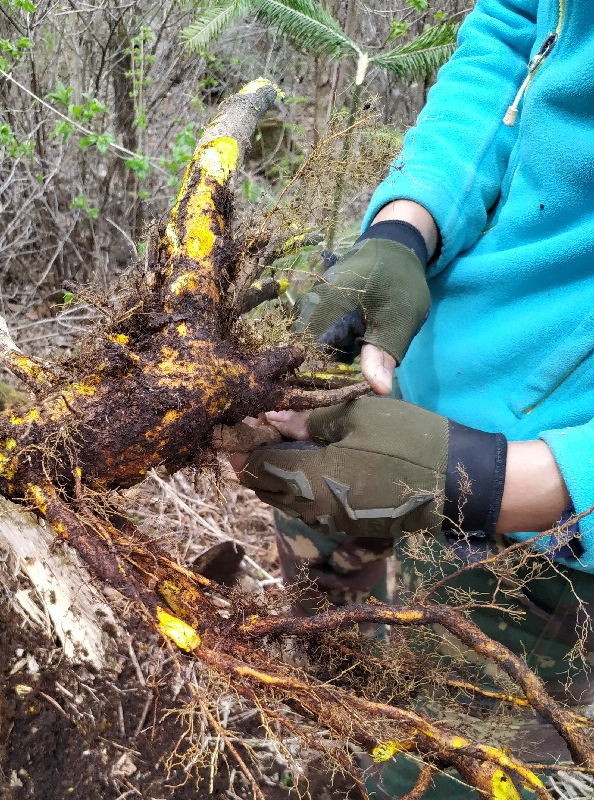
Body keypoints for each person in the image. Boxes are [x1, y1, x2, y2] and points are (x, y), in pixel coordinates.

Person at [230, 1, 594, 797]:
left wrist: (523, 481)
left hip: (542, 552)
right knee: (326, 647)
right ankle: (329, 741)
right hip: (405, 369)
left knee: (433, 772)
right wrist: (407, 226)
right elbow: (513, 34)